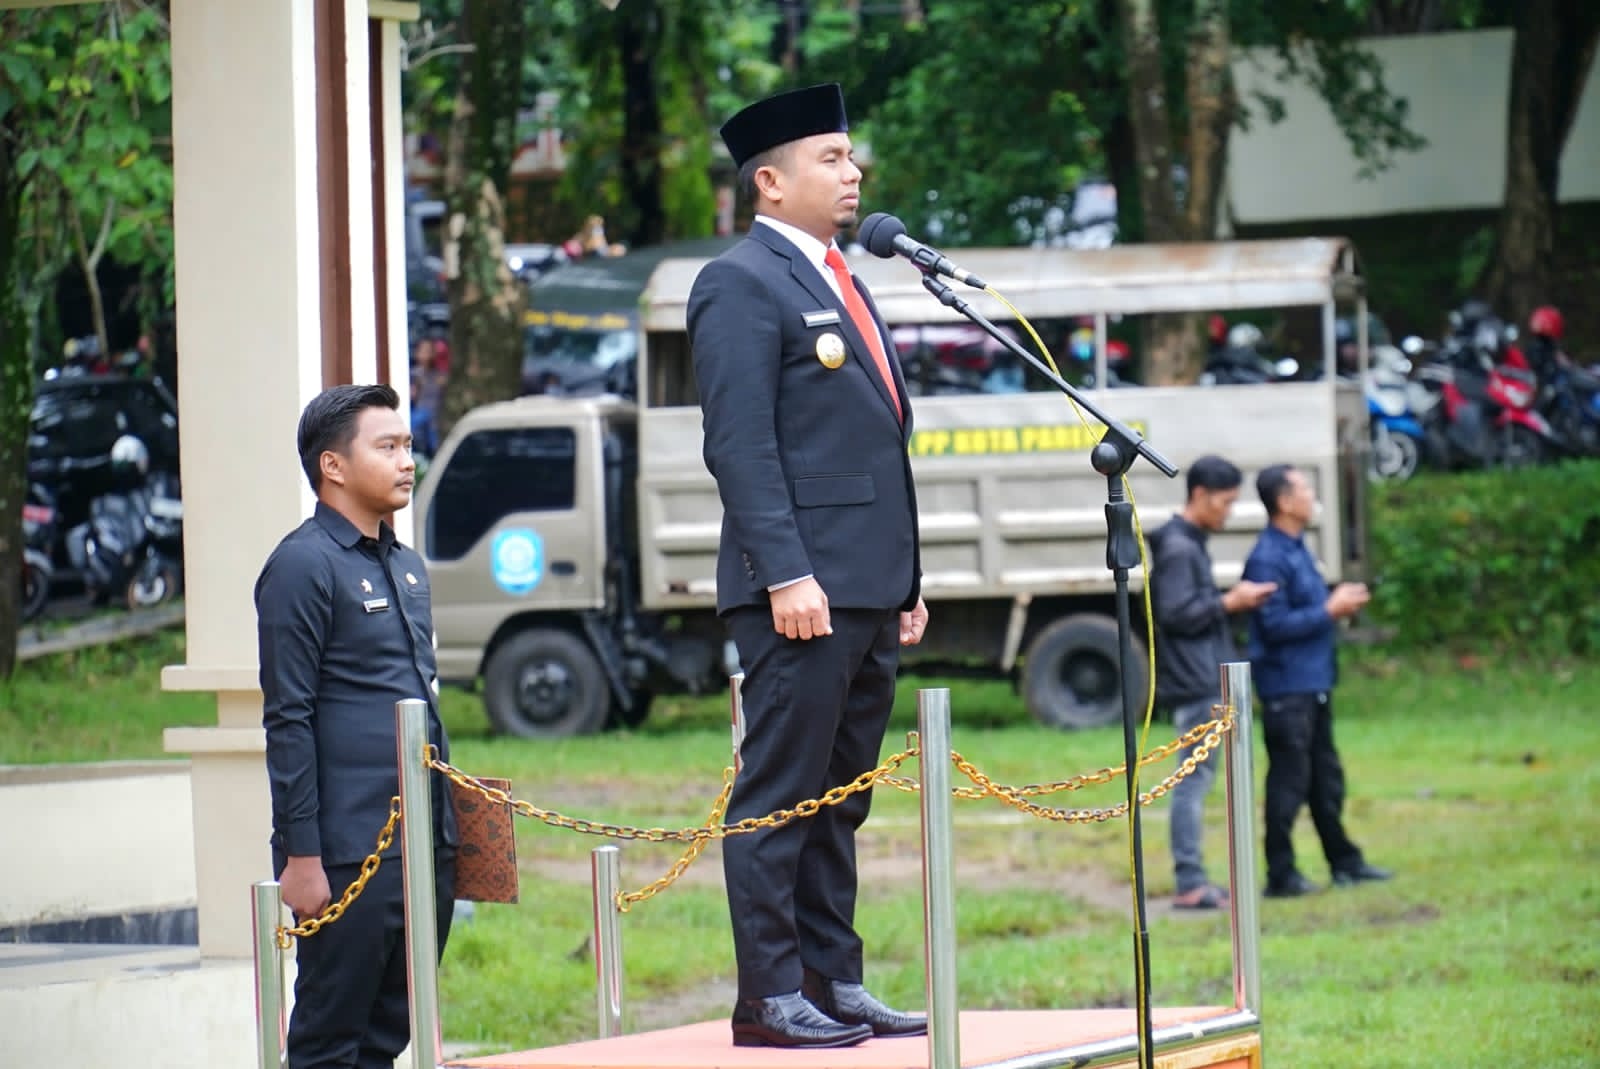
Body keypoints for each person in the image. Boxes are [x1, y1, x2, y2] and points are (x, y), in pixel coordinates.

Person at [687, 82, 930, 1051]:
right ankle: (771, 993)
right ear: (770, 181)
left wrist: (903, 580)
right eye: (832, 158)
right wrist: (785, 571)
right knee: (781, 795)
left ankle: (833, 978)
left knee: (841, 798)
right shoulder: (740, 281)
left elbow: (876, 444)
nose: (853, 171)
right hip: (800, 592)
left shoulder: (841, 275)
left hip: (864, 587)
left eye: (851, 156)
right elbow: (740, 445)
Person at [256, 384, 458, 1068]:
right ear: (333, 466)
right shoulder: (302, 565)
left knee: (387, 1035)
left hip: (422, 845)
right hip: (347, 852)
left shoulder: (404, 566)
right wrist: (301, 855)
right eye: (389, 446)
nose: (408, 459)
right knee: (326, 1041)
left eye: (407, 445)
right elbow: (288, 718)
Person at [1242, 464, 1391, 898]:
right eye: (1305, 489)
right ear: (1285, 502)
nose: (1312, 496)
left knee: (1325, 779)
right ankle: (1281, 874)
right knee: (1289, 783)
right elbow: (1273, 626)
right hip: (1286, 689)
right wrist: (1329, 609)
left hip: (1313, 683)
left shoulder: (1296, 547)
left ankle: (1344, 861)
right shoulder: (1268, 557)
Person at [1149, 456, 1277, 910]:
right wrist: (1231, 602)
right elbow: (1176, 614)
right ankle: (1189, 880)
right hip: (1195, 682)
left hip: (1201, 677)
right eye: (1224, 503)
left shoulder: (1186, 543)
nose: (1228, 512)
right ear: (1199, 495)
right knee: (1192, 782)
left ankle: (1194, 877)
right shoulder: (1181, 550)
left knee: (1196, 779)